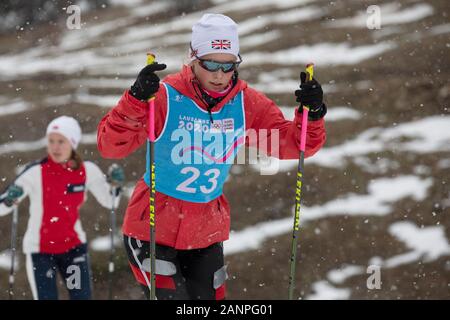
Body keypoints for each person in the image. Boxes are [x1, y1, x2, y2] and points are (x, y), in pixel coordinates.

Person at [97, 13, 326, 300]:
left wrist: (313, 114)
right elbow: (111, 146)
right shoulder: (165, 96)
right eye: (211, 64)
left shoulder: (246, 104)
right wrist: (135, 100)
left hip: (206, 230)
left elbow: (295, 144)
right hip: (151, 226)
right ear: (193, 60)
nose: (219, 75)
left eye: (228, 66)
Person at [0, 116, 125, 300]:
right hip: (40, 252)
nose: (55, 147)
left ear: (72, 142)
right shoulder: (35, 171)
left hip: (73, 249)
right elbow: (3, 205)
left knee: (81, 297)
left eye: (61, 141)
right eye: (51, 141)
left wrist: (116, 185)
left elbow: (110, 201)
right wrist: (10, 199)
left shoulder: (87, 170)